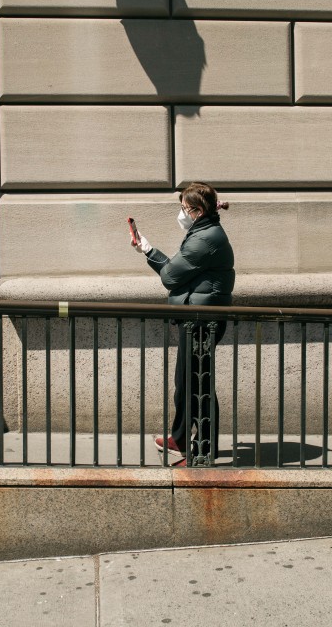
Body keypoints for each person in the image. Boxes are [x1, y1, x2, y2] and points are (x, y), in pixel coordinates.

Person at [131, 182, 235, 463]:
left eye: (184, 209)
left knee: (198, 386)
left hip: (202, 322)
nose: (181, 214)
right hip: (196, 319)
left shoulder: (204, 239)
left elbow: (170, 276)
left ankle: (202, 450)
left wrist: (149, 250)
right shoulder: (202, 232)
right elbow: (178, 271)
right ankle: (179, 438)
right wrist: (148, 249)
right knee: (186, 383)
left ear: (197, 211)